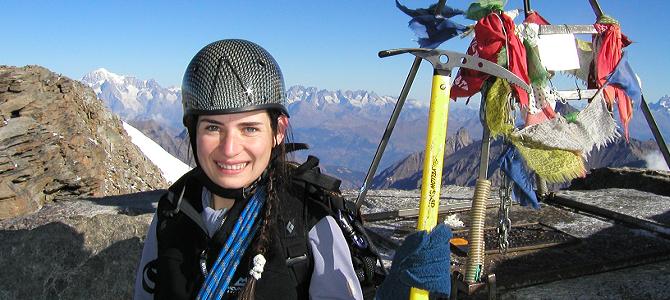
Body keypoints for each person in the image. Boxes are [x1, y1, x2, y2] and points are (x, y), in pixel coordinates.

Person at [134, 39, 452, 300]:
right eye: (213, 127)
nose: (229, 148)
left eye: (249, 129)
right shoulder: (173, 212)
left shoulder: (309, 220)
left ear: (278, 131)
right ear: (192, 131)